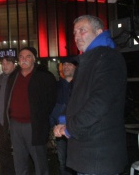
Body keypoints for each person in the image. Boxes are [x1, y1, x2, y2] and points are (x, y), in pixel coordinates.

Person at [53, 15, 128, 174]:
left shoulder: (108, 57)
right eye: (74, 32)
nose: (77, 36)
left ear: (99, 32)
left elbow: (100, 103)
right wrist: (64, 119)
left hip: (99, 156)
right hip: (90, 155)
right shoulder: (89, 60)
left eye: (82, 30)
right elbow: (78, 100)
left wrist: (70, 128)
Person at [6, 47, 57, 175]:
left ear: (34, 59)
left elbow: (51, 101)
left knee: (39, 161)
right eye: (21, 57)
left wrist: (42, 118)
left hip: (34, 126)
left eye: (28, 56)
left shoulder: (44, 77)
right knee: (19, 161)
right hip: (15, 125)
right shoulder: (13, 77)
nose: (24, 59)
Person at [49, 57, 77, 175]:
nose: (66, 67)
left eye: (69, 64)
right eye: (64, 65)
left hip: (76, 129)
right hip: (60, 130)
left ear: (75, 67)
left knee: (77, 161)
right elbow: (51, 105)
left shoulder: (81, 84)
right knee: (63, 161)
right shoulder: (56, 85)